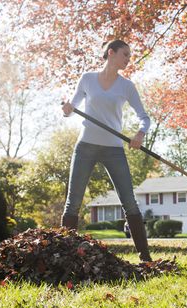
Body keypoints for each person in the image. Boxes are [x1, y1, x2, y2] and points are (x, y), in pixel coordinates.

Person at [61, 39, 152, 262]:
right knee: (73, 201)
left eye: (129, 56)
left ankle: (145, 257)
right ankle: (63, 254)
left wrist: (140, 134)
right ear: (111, 53)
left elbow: (144, 117)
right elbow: (72, 109)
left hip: (114, 148)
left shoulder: (127, 86)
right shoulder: (87, 79)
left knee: (129, 201)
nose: (128, 59)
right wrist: (67, 110)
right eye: (125, 54)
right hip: (86, 146)